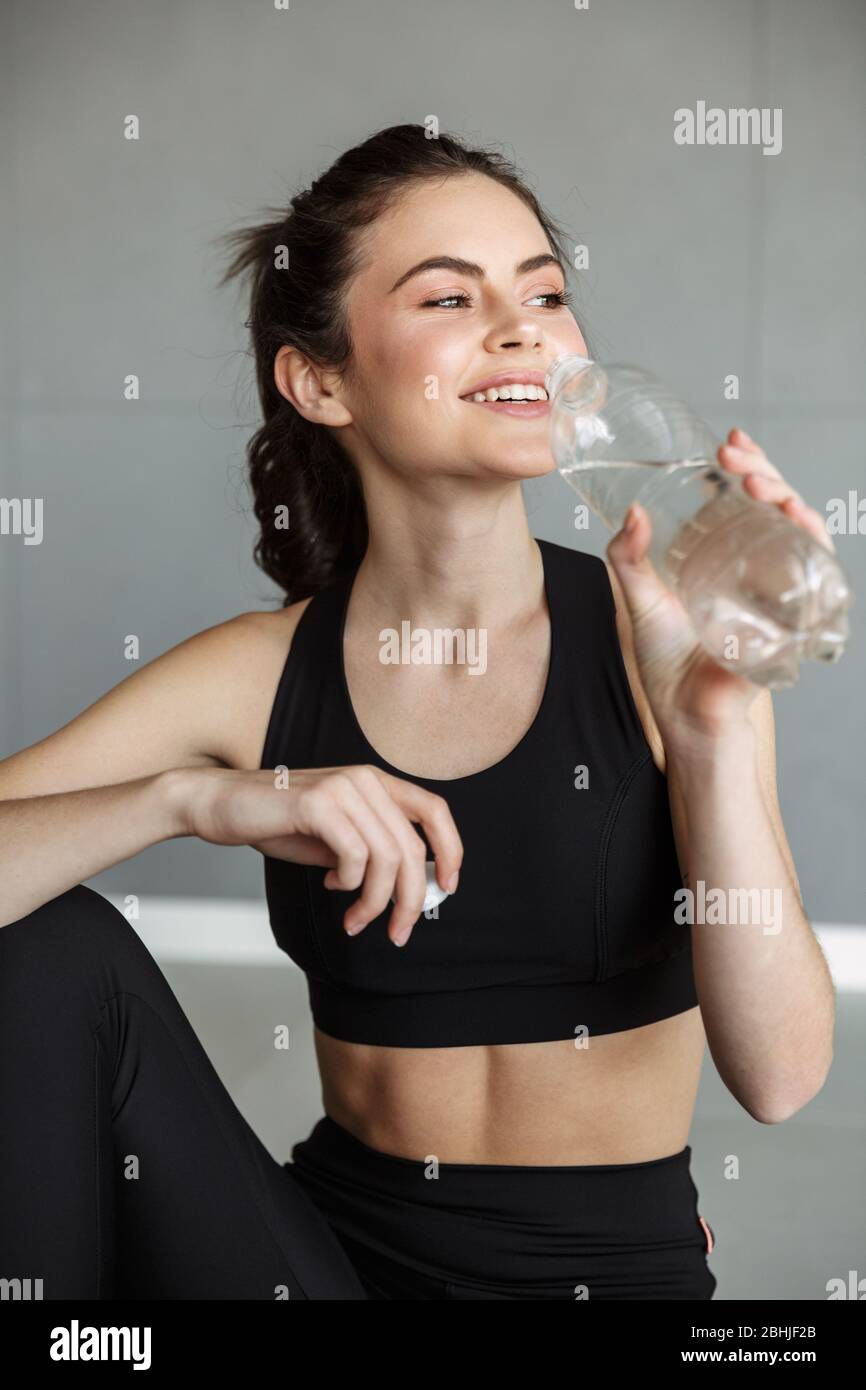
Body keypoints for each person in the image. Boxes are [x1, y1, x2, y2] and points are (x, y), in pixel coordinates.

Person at [0, 124, 835, 1300]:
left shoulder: (673, 645)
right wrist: (189, 798)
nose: (520, 326)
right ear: (320, 379)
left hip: (605, 1279)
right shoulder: (257, 674)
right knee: (45, 943)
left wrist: (707, 732)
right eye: (449, 295)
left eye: (542, 290)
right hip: (323, 1269)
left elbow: (782, 1076)